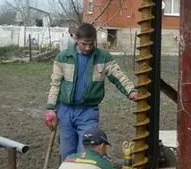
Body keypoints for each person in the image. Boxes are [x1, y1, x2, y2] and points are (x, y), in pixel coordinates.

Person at [45, 23, 138, 159]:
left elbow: (118, 76)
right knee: (67, 153)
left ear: (95, 40)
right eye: (84, 44)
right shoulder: (63, 57)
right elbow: (55, 84)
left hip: (88, 112)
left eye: (91, 44)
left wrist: (131, 91)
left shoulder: (103, 57)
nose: (88, 48)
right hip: (65, 111)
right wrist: (51, 108)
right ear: (76, 39)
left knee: (86, 152)